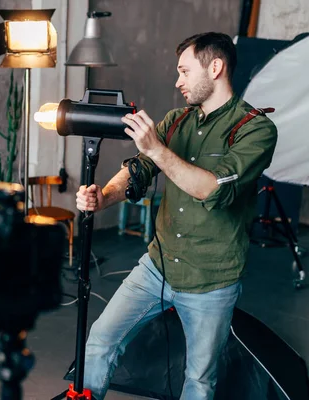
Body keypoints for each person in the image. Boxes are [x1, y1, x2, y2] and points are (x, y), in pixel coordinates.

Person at [76, 32, 277, 399]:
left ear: (215, 68)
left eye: (184, 72)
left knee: (199, 380)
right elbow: (139, 170)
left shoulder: (255, 129)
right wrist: (104, 197)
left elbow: (212, 189)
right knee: (100, 341)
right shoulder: (176, 120)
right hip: (156, 266)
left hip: (211, 281)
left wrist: (156, 149)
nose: (177, 81)